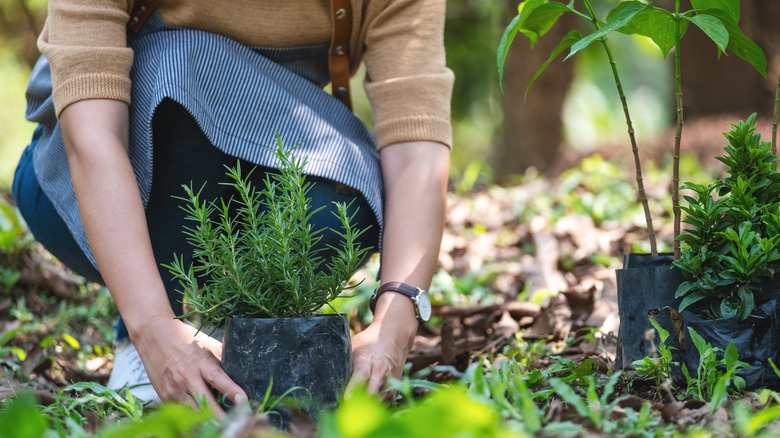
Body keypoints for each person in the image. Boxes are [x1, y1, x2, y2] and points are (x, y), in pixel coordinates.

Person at [13, 0, 452, 414]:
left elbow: (417, 151)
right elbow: (93, 137)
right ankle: (151, 333)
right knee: (184, 63)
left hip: (268, 145)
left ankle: (230, 336)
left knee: (343, 195)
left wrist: (394, 325)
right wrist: (150, 329)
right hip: (77, 183)